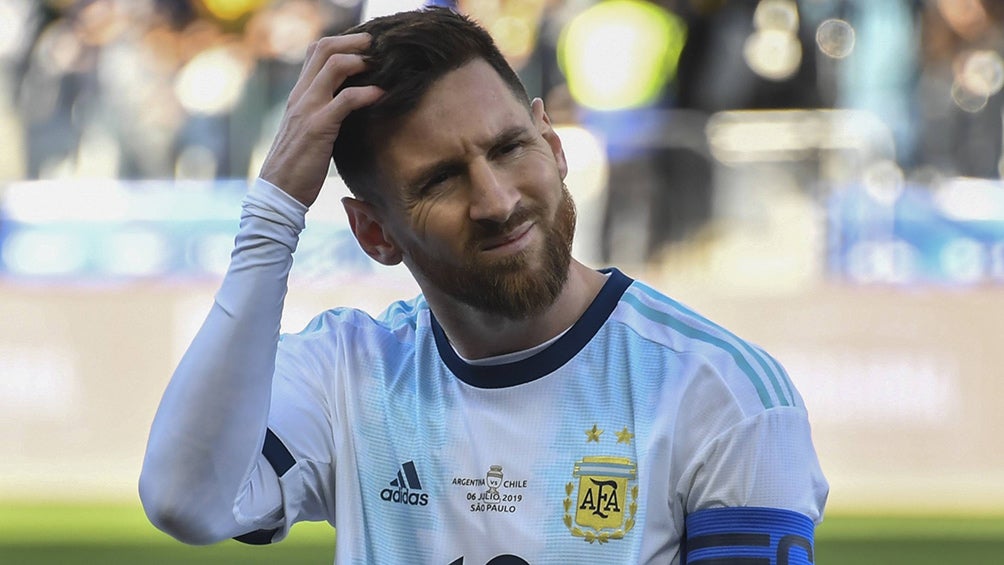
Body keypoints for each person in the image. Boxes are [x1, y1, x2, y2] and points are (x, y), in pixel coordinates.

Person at [139, 7, 828, 564]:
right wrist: (273, 215)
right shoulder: (345, 371)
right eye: (441, 180)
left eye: (508, 148)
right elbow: (186, 501)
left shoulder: (724, 395)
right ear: (375, 233)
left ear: (553, 145)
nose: (497, 201)